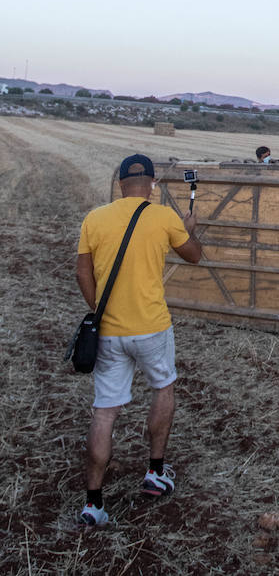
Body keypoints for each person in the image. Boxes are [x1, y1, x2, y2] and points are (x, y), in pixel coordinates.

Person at [75, 153, 202, 527]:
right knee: (163, 389)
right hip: (152, 328)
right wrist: (189, 228)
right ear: (152, 184)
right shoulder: (164, 217)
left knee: (105, 411)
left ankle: (93, 504)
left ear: (119, 184)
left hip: (109, 333)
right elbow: (194, 256)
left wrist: (99, 311)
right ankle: (155, 473)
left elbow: (82, 273)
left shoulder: (94, 218)